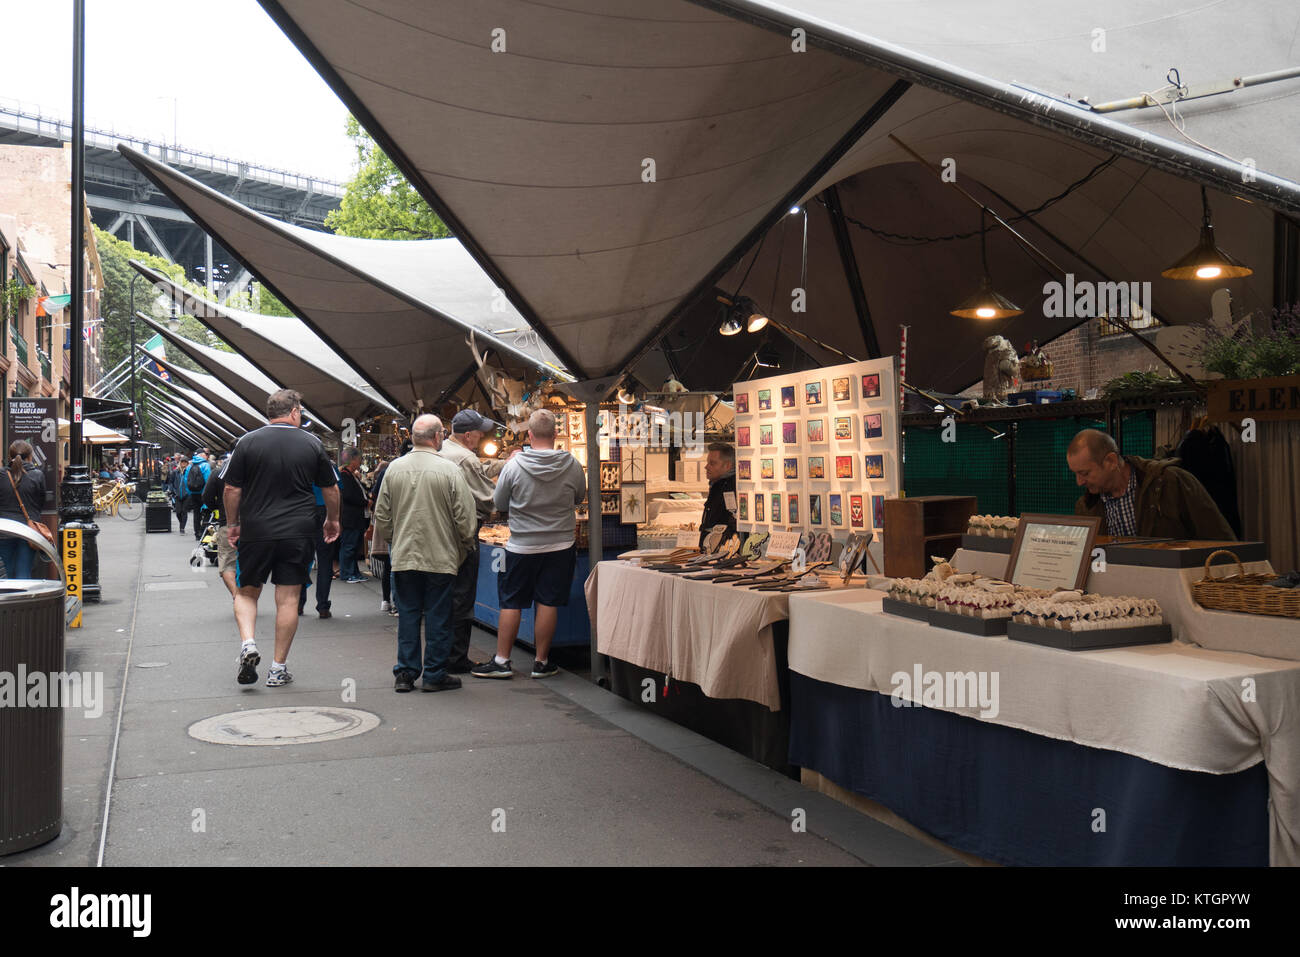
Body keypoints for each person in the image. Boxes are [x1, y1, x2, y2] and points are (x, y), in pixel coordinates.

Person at [224, 389, 340, 687]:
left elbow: (231, 489)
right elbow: (331, 488)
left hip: (256, 530)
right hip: (297, 530)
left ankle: (248, 643)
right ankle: (277, 669)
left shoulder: (247, 442)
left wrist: (233, 524)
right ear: (294, 412)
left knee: (247, 592)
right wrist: (332, 519)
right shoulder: (311, 443)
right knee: (288, 599)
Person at [472, 409, 586, 681]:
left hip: (522, 545)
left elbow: (499, 504)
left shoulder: (514, 465)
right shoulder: (572, 464)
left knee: (512, 601)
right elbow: (579, 497)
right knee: (548, 601)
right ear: (556, 434)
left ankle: (502, 661)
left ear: (530, 435)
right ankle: (541, 662)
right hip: (560, 543)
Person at [373, 414, 476, 693]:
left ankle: (405, 674)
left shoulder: (394, 469)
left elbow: (381, 516)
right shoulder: (450, 470)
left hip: (405, 555)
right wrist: (465, 545)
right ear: (438, 436)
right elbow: (466, 518)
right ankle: (434, 673)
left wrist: (396, 538)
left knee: (408, 614)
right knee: (438, 616)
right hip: (441, 556)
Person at [1067, 428, 1236, 540]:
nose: (1079, 482)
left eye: (1084, 473)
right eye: (1075, 474)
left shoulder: (1171, 483)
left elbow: (1221, 540)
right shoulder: (1086, 507)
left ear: (1111, 461)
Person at [438, 409, 501, 672]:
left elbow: (481, 466)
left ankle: (441, 656)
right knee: (462, 595)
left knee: (443, 596)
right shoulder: (465, 458)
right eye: (479, 432)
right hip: (464, 534)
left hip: (441, 533)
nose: (482, 436)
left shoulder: (443, 451)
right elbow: (488, 500)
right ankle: (456, 659)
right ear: (468, 435)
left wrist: (507, 462)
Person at [299, 459, 342, 619]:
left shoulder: (299, 462)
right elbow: (336, 491)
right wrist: (336, 518)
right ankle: (323, 605)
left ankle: (298, 603)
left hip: (303, 511)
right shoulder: (327, 464)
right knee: (325, 560)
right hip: (324, 510)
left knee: (302, 559)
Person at [0, 441, 46, 579]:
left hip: (4, 531)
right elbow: (40, 502)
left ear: (10, 456)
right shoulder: (37, 475)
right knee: (24, 572)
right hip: (28, 531)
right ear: (30, 456)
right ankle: (23, 599)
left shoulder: (1, 475)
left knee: (7, 573)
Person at [202, 453, 238, 598]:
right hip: (253, 523)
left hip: (227, 522)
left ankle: (237, 596)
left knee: (227, 563)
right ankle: (248, 598)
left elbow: (206, 496)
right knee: (252, 563)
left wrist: (217, 508)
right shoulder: (254, 470)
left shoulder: (218, 472)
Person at [337, 447, 369, 583]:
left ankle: (354, 572)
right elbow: (349, 495)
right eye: (359, 459)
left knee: (354, 546)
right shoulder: (344, 475)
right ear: (353, 460)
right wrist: (365, 502)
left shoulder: (351, 475)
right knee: (349, 545)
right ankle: (347, 573)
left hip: (356, 517)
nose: (360, 461)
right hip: (350, 517)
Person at [698, 442, 737, 548]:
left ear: (728, 465)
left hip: (722, 554)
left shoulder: (730, 488)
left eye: (712, 463)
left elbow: (731, 524)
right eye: (707, 462)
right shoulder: (717, 486)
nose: (706, 467)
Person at [180, 451, 211, 540]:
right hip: (203, 493)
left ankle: (197, 533)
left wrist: (190, 492)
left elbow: (186, 481)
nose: (207, 456)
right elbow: (208, 480)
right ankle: (203, 532)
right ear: (202, 455)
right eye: (206, 454)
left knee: (196, 513)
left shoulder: (190, 466)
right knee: (206, 513)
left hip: (193, 493)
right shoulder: (205, 465)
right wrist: (207, 493)